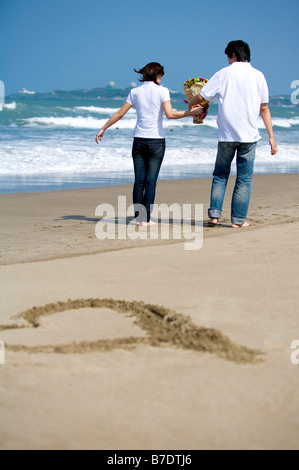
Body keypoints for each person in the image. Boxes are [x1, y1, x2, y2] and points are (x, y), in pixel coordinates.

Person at [96, 62, 204, 226]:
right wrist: (191, 113)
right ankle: (146, 220)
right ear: (158, 75)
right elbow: (170, 114)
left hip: (138, 141)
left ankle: (138, 218)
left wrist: (103, 128)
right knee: (150, 182)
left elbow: (120, 113)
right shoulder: (162, 91)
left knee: (139, 181)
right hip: (156, 142)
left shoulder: (135, 92)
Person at [188, 40, 278, 228]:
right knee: (244, 180)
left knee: (220, 175)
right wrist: (271, 137)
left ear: (234, 55)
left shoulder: (223, 73)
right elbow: (264, 108)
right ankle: (237, 221)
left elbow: (203, 97)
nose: (228, 60)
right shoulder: (258, 75)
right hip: (249, 136)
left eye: (228, 56)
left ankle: (214, 215)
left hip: (226, 136)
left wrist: (190, 103)